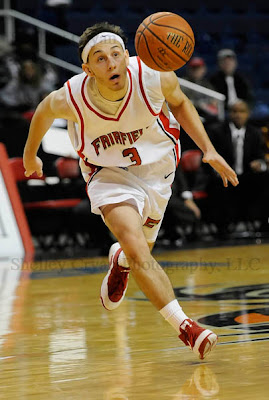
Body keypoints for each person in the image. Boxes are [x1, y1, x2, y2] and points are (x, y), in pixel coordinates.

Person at [23, 22, 239, 360]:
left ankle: (119, 261)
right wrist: (29, 154)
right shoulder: (73, 95)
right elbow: (43, 111)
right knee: (139, 249)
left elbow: (180, 103)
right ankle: (186, 327)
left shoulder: (153, 74)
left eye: (115, 54)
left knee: (141, 247)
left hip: (157, 170)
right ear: (87, 69)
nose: (111, 64)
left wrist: (208, 148)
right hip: (106, 172)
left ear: (127, 54)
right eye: (100, 59)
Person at [195, 99, 269, 235]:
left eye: (242, 112)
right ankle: (223, 228)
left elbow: (261, 156)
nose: (238, 115)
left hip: (247, 177)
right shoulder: (216, 131)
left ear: (248, 114)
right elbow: (207, 157)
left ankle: (263, 225)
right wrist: (219, 169)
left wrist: (260, 164)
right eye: (234, 111)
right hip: (222, 178)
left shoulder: (255, 133)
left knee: (265, 181)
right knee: (220, 186)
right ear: (229, 113)